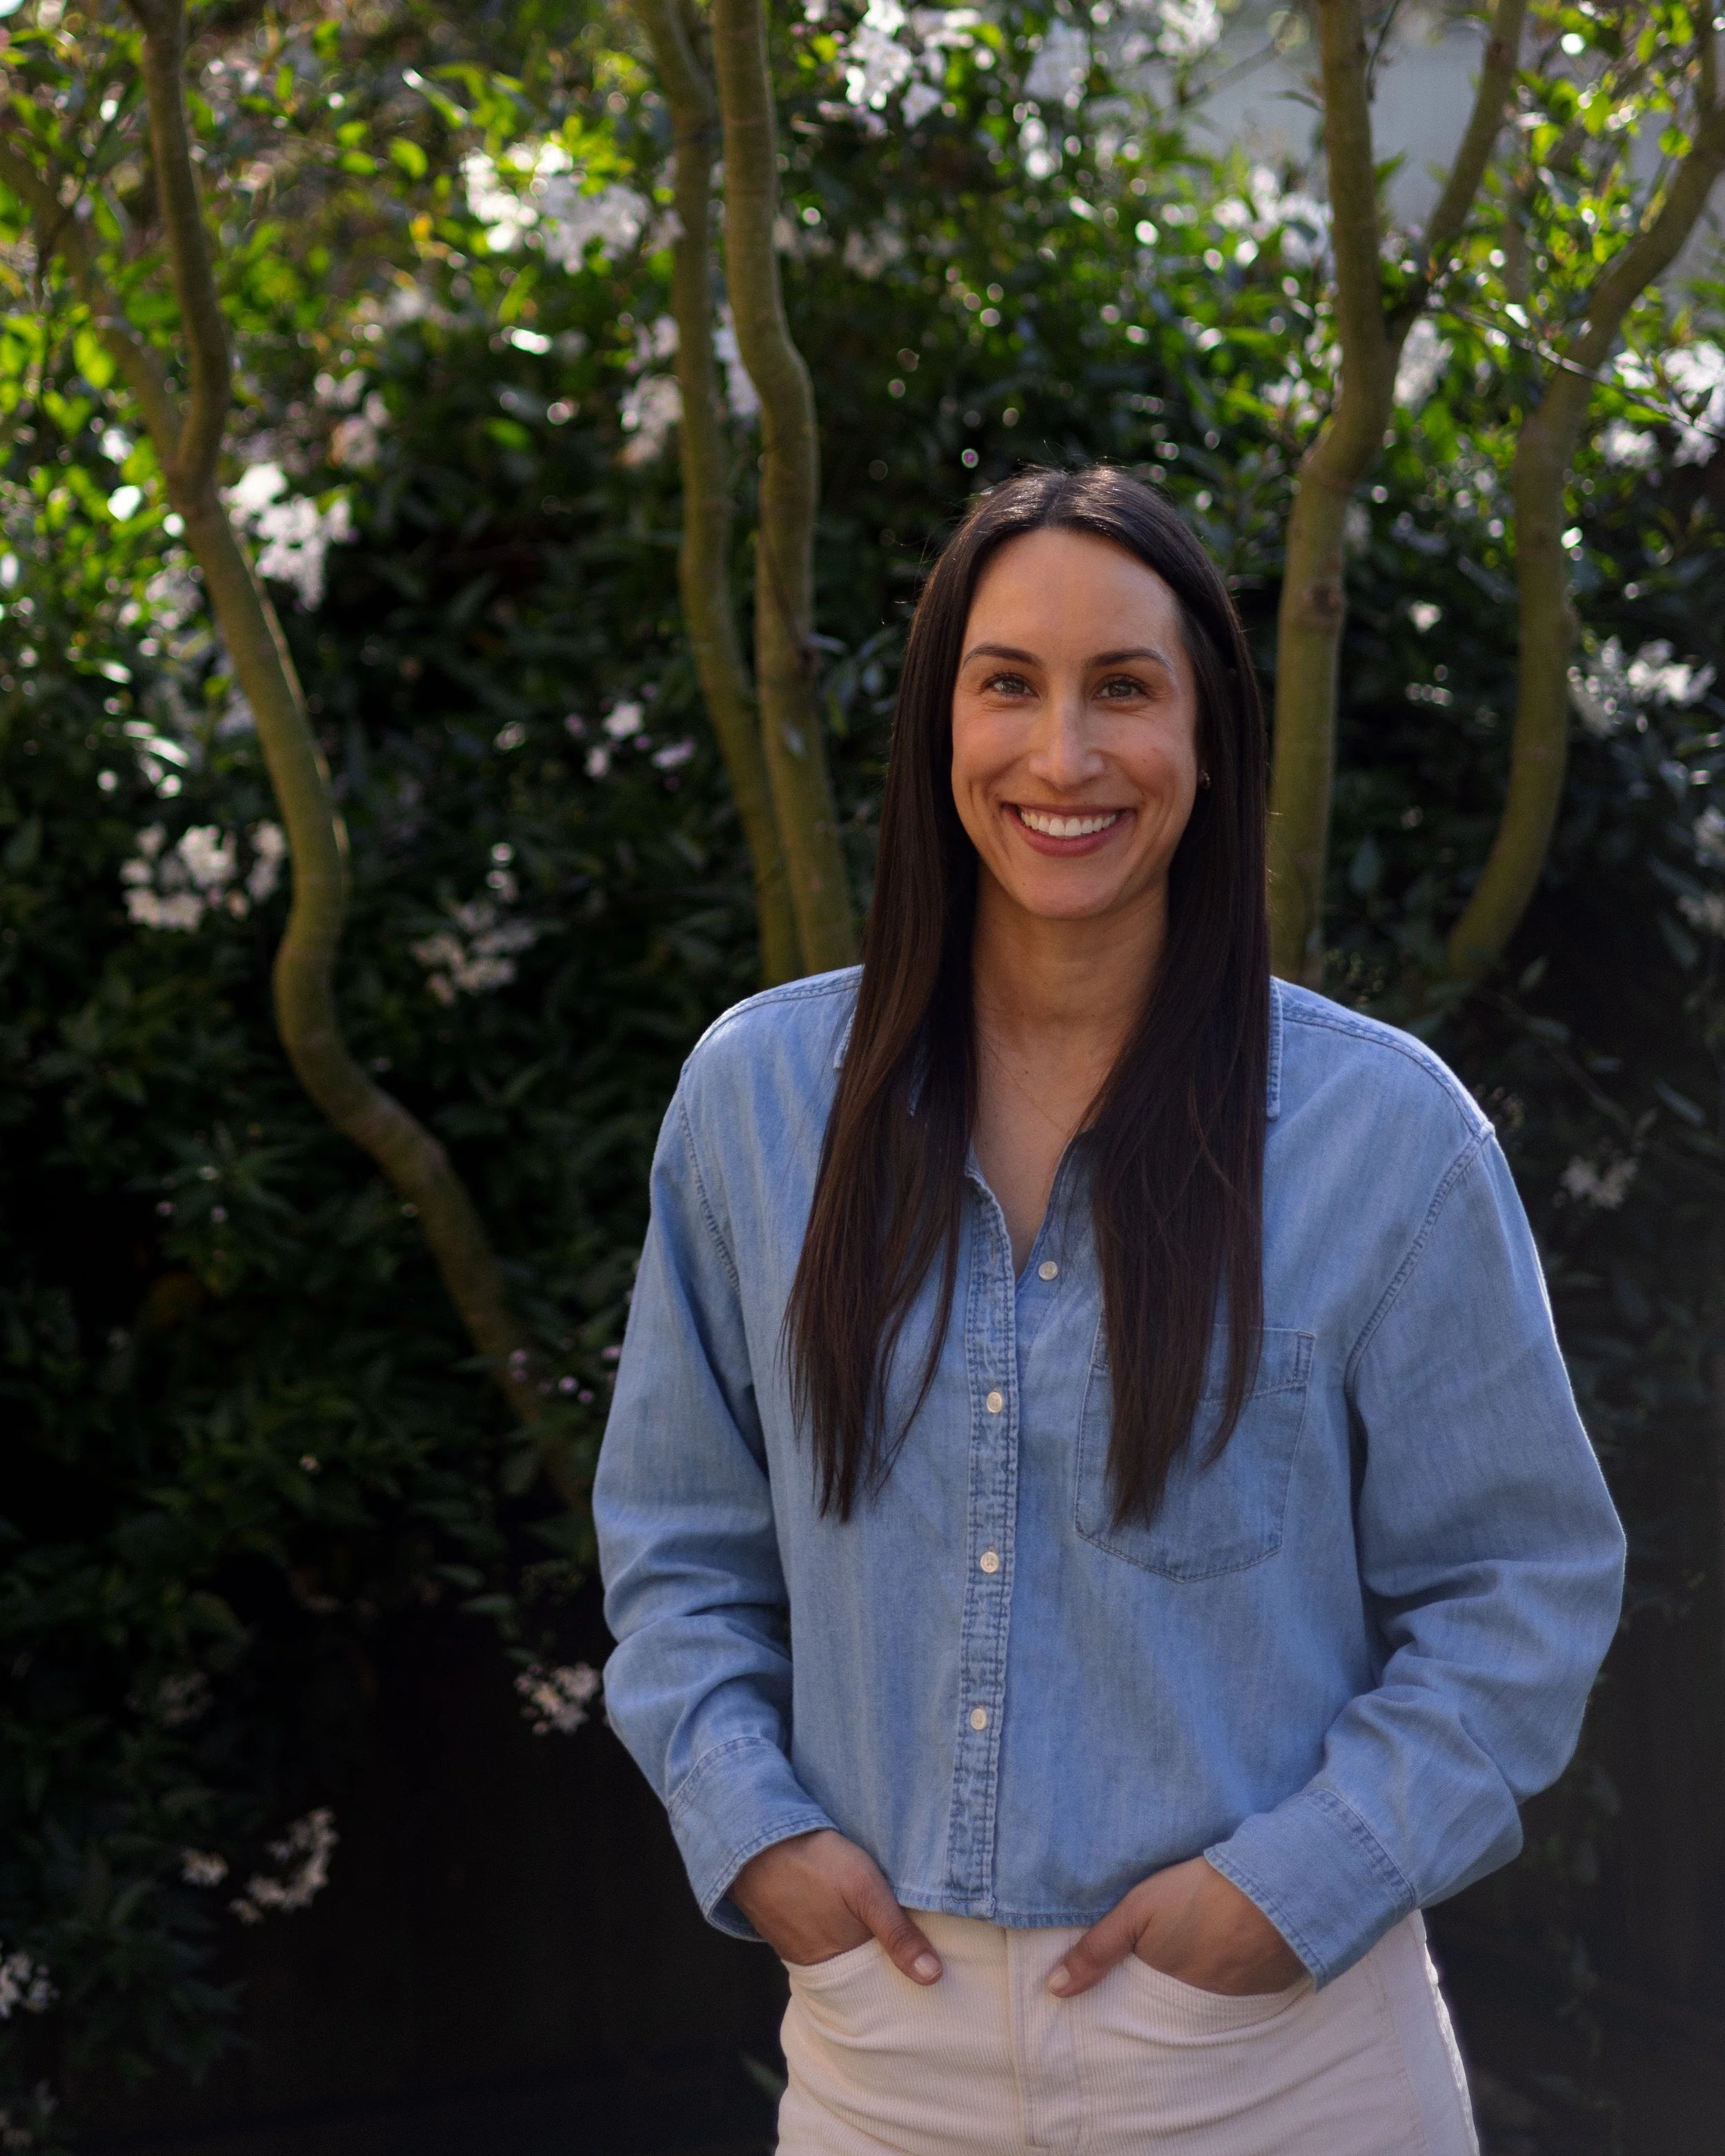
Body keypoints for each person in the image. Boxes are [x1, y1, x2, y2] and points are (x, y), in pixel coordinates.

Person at [593, 464, 1625, 2155]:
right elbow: (677, 1546)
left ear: (1206, 737)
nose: (1061, 757)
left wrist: (1289, 1888)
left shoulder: (1386, 1137)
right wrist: (754, 1834)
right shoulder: (755, 1105)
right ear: (939, 726)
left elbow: (1519, 1587)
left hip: (1273, 2059)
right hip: (879, 2057)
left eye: (1121, 690)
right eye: (1006, 683)